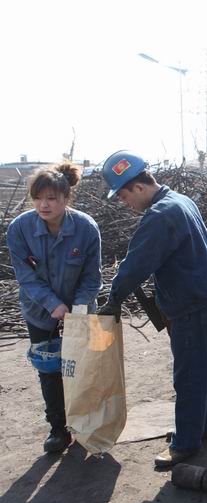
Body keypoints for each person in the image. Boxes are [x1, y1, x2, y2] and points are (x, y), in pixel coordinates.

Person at [97, 150, 207, 467]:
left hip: (192, 307)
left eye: (125, 195)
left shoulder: (160, 216)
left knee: (189, 376)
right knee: (203, 370)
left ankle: (185, 445)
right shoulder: (181, 201)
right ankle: (199, 430)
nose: (126, 203)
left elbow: (136, 264)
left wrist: (113, 300)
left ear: (138, 187)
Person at [7, 163, 102, 453]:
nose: (44, 205)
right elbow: (25, 277)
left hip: (81, 310)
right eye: (38, 198)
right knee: (49, 368)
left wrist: (78, 309)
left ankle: (87, 425)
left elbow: (91, 277)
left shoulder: (85, 227)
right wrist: (53, 305)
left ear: (66, 197)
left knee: (84, 367)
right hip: (39, 311)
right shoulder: (20, 228)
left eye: (51, 198)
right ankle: (58, 429)